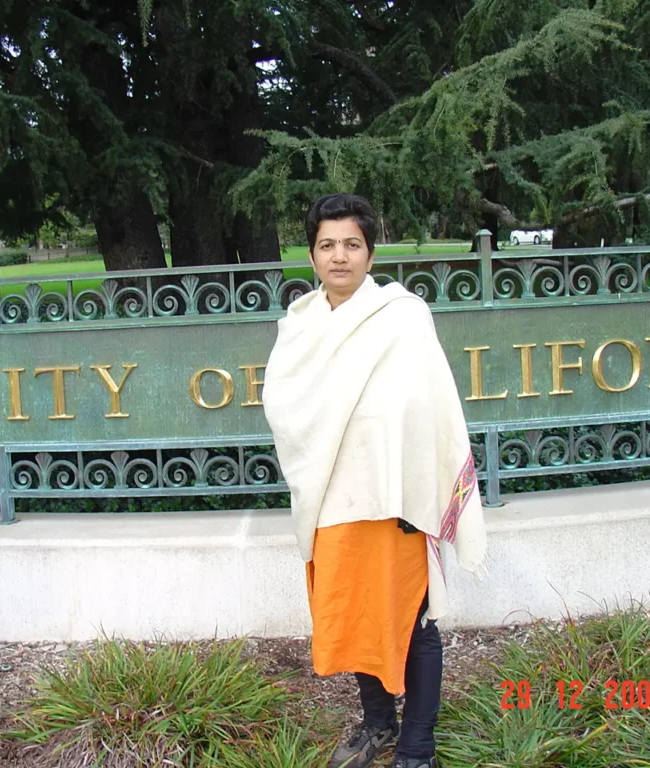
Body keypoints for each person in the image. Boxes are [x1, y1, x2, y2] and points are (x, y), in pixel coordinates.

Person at [261, 194, 488, 768]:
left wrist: (417, 488)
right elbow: (285, 408)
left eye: (352, 244)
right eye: (327, 245)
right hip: (332, 497)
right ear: (311, 255)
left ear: (370, 252)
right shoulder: (299, 326)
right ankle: (379, 725)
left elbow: (430, 405)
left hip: (395, 497)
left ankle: (417, 748)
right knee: (359, 612)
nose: (339, 256)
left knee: (412, 620)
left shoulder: (402, 316)